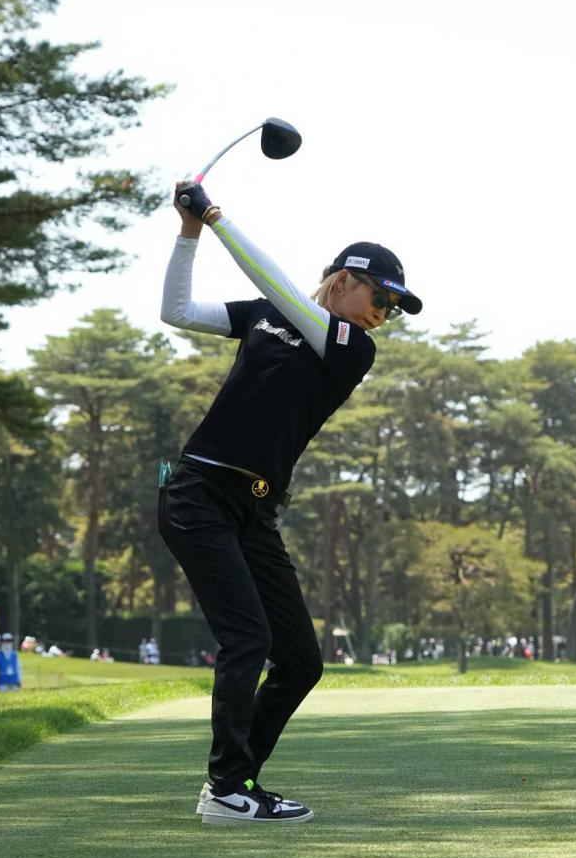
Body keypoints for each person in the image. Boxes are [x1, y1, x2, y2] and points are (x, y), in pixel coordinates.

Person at [159, 179, 422, 825]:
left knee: (301, 661)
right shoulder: (265, 314)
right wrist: (191, 231)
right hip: (198, 494)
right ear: (344, 279)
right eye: (381, 298)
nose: (383, 314)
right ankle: (228, 789)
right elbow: (178, 311)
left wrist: (216, 218)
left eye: (393, 309)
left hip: (254, 511)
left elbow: (279, 289)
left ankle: (234, 782)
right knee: (248, 637)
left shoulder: (351, 347)